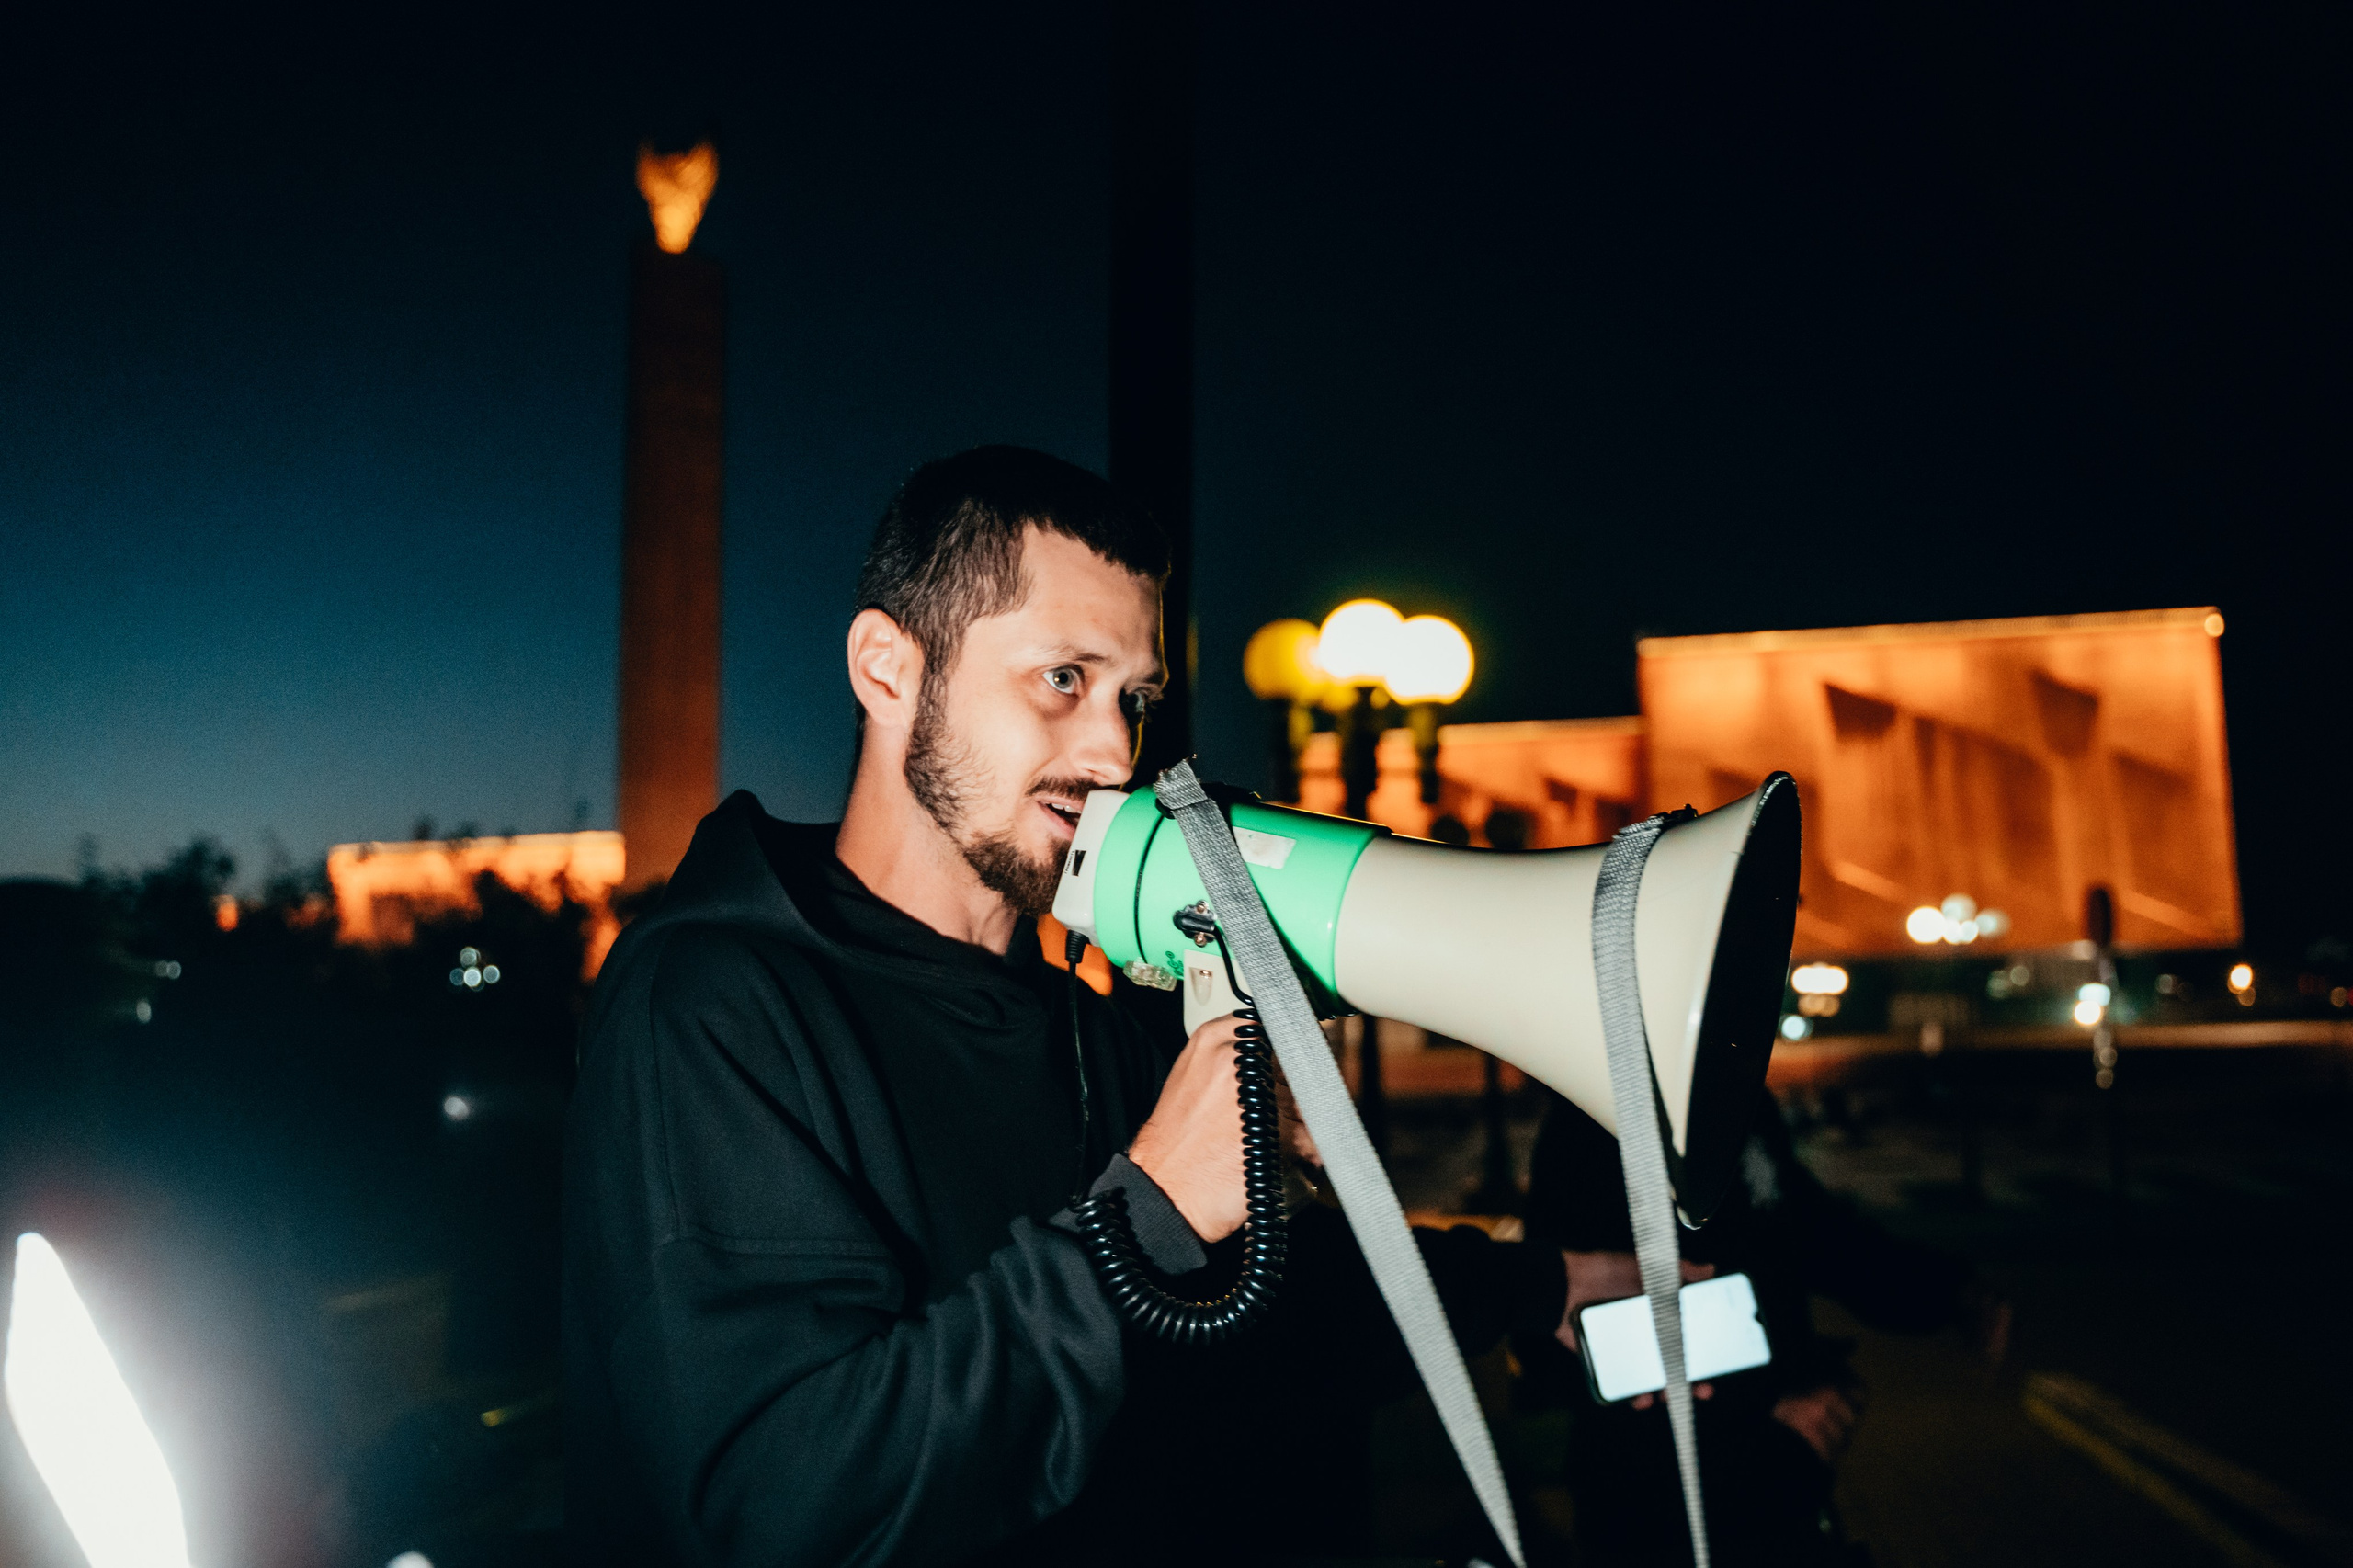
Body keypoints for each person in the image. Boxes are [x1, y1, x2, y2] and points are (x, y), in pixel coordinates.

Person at [564, 447, 1564, 1567]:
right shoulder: (712, 1004)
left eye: (1132, 698)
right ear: (888, 669)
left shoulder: (1088, 1027)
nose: (1113, 751)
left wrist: (1548, 1283)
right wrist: (1151, 1209)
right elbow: (788, 1498)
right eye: (1061, 678)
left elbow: (1267, 1318)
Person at [1515, 1086, 2009, 1566]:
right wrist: (1768, 1416)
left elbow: (1810, 1232)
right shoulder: (1596, 1119)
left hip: (1774, 1488)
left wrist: (1949, 1293)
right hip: (1665, 1510)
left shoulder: (1731, 1091)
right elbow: (1557, 1340)